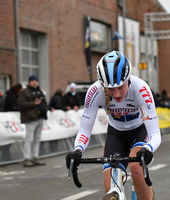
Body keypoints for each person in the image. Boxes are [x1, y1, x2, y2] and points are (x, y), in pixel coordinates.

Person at [66, 51, 161, 200]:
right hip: (116, 133)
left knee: (136, 167)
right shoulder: (95, 91)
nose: (116, 94)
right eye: (110, 89)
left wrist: (148, 149)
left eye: (120, 87)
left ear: (128, 78)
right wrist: (77, 150)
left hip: (139, 130)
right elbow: (85, 129)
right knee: (111, 186)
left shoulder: (141, 89)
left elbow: (155, 132)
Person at [18, 75, 48, 167]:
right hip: (30, 118)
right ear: (29, 82)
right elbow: (21, 104)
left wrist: (44, 109)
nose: (34, 82)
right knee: (29, 139)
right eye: (32, 81)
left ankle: (35, 157)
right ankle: (27, 158)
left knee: (37, 139)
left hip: (40, 117)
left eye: (36, 80)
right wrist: (33, 103)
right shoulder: (24, 92)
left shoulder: (39, 91)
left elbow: (44, 102)